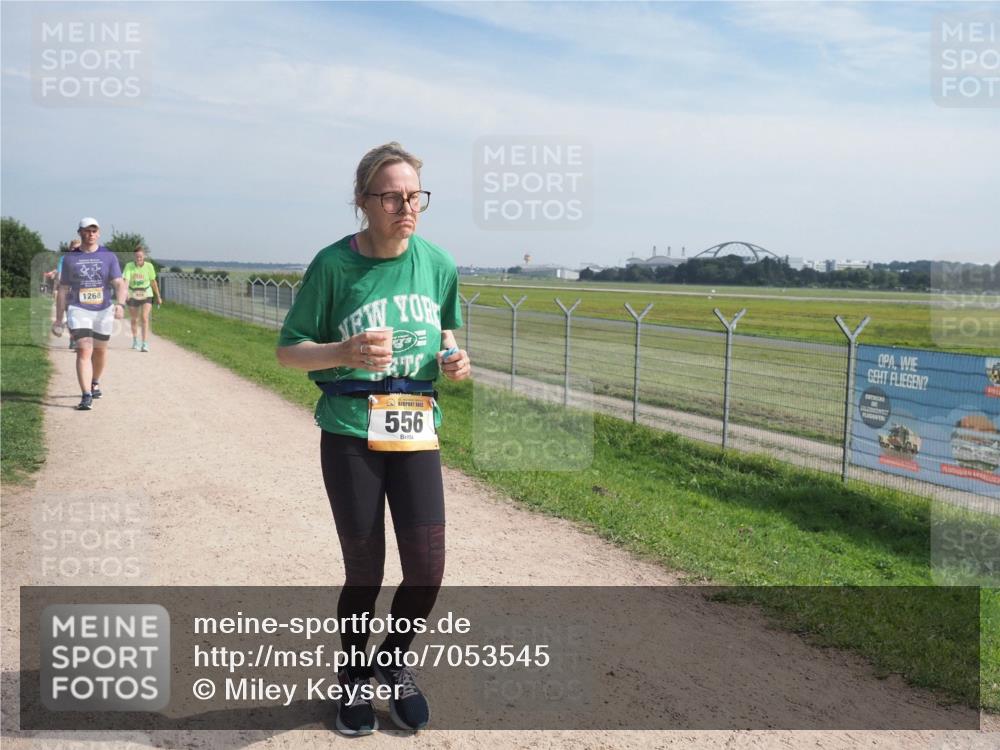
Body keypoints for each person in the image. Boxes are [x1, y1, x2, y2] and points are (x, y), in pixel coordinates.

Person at [276, 143, 471, 735]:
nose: (406, 206)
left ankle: (392, 660)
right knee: (365, 572)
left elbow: (447, 332)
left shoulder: (438, 263)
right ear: (363, 201)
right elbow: (288, 351)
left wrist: (457, 360)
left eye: (415, 196)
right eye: (391, 196)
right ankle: (355, 675)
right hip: (350, 431)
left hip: (416, 427)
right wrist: (344, 351)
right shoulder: (334, 265)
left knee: (427, 570)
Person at [52, 218, 126, 410]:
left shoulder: (108, 256)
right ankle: (86, 395)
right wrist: (59, 319)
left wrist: (121, 304)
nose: (91, 234)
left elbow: (119, 282)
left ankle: (94, 381)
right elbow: (63, 289)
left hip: (103, 309)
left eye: (94, 231)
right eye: (87, 230)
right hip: (79, 308)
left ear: (98, 233)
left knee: (100, 350)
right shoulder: (70, 258)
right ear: (80, 232)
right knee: (84, 349)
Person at [121, 245, 162, 351]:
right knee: (134, 318)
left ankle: (144, 343)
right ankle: (135, 340)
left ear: (144, 256)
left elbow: (153, 282)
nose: (139, 258)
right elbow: (126, 280)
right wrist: (125, 292)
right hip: (133, 293)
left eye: (140, 256)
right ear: (134, 256)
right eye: (137, 256)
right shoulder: (129, 266)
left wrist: (158, 296)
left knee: (144, 317)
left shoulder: (149, 266)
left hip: (146, 293)